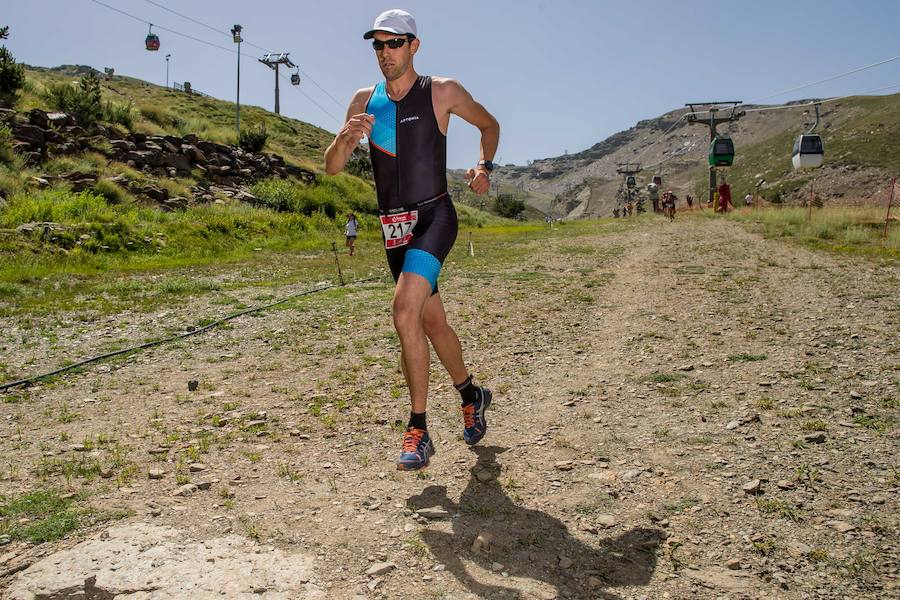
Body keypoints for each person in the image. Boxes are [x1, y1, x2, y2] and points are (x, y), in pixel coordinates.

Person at [324, 9, 500, 471]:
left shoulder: (441, 91)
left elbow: (489, 125)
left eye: (394, 43)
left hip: (434, 217)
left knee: (404, 310)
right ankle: (471, 393)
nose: (385, 53)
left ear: (414, 46)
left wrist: (484, 167)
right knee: (430, 322)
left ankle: (418, 428)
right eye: (377, 45)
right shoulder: (365, 100)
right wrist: (345, 140)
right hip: (392, 228)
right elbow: (332, 166)